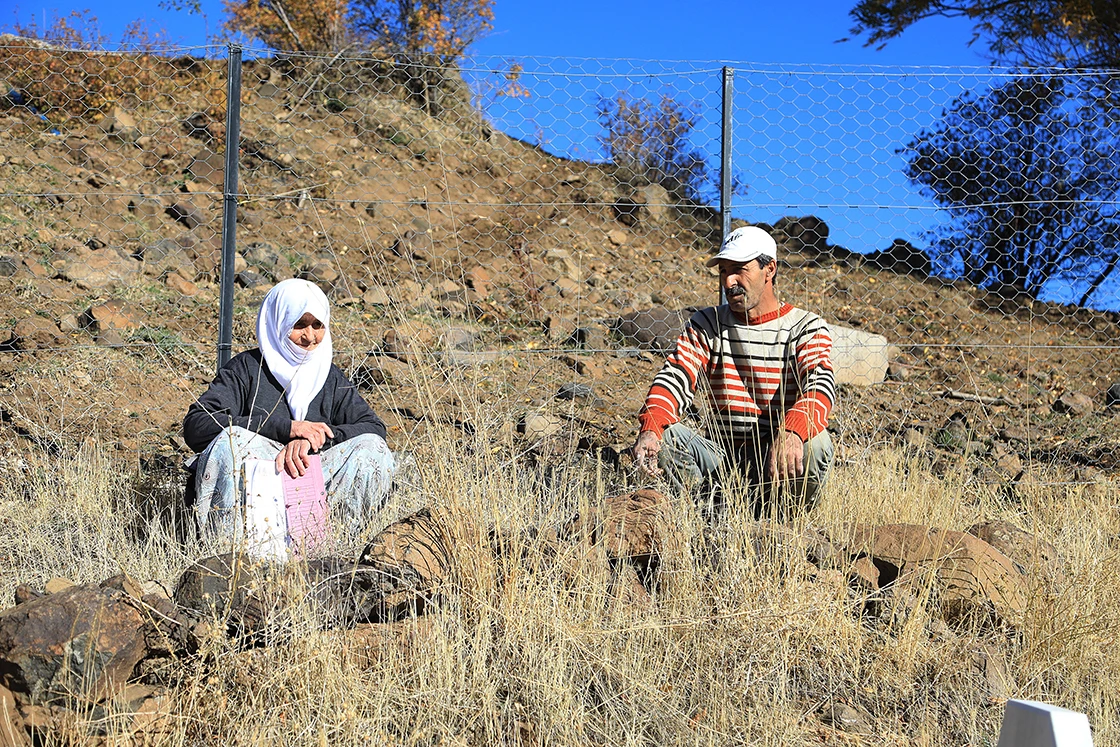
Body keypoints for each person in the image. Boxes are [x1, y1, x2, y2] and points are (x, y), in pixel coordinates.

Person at [632, 226, 835, 519]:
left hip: (777, 461)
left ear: (770, 269)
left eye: (740, 269)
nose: (729, 281)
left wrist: (791, 431)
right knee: (668, 436)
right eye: (724, 271)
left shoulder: (807, 327)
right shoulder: (707, 323)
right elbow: (676, 375)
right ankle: (707, 520)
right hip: (723, 459)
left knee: (815, 441)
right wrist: (651, 427)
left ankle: (786, 528)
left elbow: (820, 386)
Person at [184, 278, 396, 538]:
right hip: (260, 481)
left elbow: (374, 428)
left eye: (318, 325)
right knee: (232, 441)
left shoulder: (329, 376)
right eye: (299, 325)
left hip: (314, 479)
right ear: (277, 322)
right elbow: (198, 426)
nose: (310, 337)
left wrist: (312, 441)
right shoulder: (246, 369)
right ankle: (229, 554)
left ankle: (339, 547)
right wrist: (288, 429)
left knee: (372, 449)